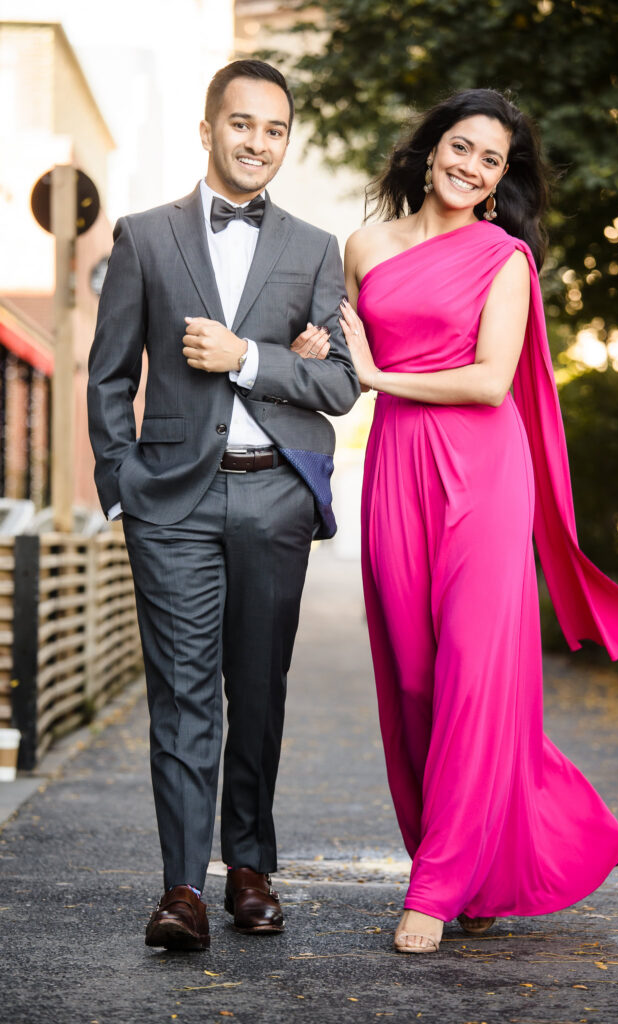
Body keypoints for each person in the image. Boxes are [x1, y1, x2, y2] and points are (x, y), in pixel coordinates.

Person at [339, 89, 618, 954]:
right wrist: (328, 360)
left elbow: (488, 381)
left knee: (474, 679)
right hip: (395, 470)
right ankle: (472, 864)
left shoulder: (505, 259)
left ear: (499, 180)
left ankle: (435, 890)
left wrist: (376, 376)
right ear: (429, 149)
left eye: (490, 159)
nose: (470, 166)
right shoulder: (363, 247)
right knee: (412, 683)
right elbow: (346, 362)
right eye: (460, 146)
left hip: (484, 473)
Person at [87, 59, 359, 950]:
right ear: (208, 131)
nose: (258, 143)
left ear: (287, 140)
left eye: (275, 130)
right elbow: (109, 374)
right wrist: (120, 484)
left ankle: (249, 867)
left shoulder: (316, 248)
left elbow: (337, 383)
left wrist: (249, 357)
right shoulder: (144, 236)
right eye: (242, 125)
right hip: (171, 501)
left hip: (274, 496)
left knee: (258, 691)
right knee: (182, 696)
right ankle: (180, 889)